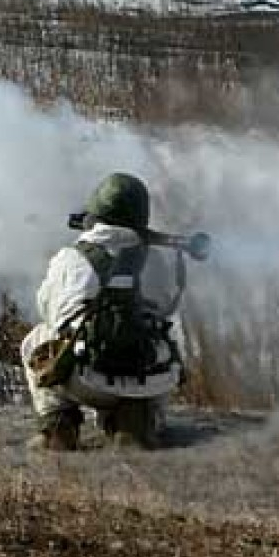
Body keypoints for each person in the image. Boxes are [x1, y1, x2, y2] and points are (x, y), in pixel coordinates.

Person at [21, 172, 185, 451]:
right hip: (147, 376)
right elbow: (168, 307)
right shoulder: (155, 258)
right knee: (163, 339)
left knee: (36, 339)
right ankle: (134, 422)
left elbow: (48, 308)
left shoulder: (70, 258)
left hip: (88, 378)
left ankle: (58, 427)